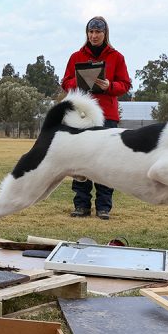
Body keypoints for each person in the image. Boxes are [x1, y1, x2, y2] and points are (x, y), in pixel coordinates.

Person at [61, 16, 132, 220]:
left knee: (106, 161)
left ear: (105, 33)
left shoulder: (117, 57)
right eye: (90, 32)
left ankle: (103, 207)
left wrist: (110, 86)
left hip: (106, 116)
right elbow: (65, 82)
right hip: (81, 115)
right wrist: (80, 81)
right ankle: (81, 205)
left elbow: (125, 84)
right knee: (80, 161)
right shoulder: (76, 56)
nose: (93, 35)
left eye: (97, 32)